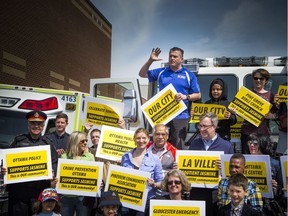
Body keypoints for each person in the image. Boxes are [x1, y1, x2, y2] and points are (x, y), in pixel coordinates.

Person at [139, 47, 201, 150]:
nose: (172, 58)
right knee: (159, 144)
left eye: (175, 56)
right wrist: (150, 60)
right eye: (170, 56)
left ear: (181, 59)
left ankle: (176, 166)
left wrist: (185, 96)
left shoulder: (188, 74)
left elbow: (198, 95)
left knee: (178, 146)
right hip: (163, 115)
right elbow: (142, 74)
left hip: (181, 116)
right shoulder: (162, 72)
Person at [7, 110, 58, 216]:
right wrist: (5, 169)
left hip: (38, 191)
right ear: (28, 125)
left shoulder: (47, 143)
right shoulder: (18, 141)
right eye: (33, 123)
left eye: (39, 124)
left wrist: (53, 172)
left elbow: (54, 162)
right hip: (18, 191)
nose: (36, 126)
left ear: (43, 126)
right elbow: (7, 161)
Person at [188, 112, 234, 216]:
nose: (201, 129)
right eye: (200, 125)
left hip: (215, 193)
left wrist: (224, 168)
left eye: (205, 126)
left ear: (214, 126)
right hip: (196, 191)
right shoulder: (194, 144)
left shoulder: (226, 146)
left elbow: (233, 172)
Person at [121, 128, 163, 215]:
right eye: (138, 138)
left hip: (147, 201)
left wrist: (154, 184)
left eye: (144, 138)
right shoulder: (125, 157)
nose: (141, 141)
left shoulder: (155, 159)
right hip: (128, 201)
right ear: (134, 140)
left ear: (148, 139)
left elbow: (161, 182)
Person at [240, 68, 278, 154]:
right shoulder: (246, 93)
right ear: (253, 79)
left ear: (266, 80)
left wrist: (272, 115)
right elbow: (239, 110)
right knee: (246, 160)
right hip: (247, 133)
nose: (258, 80)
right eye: (256, 78)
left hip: (263, 134)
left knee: (263, 159)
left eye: (261, 78)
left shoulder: (271, 95)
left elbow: (276, 114)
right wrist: (234, 110)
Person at [247, 134, 285, 215]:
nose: (252, 145)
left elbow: (282, 186)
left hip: (267, 206)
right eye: (250, 142)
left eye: (255, 143)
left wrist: (276, 187)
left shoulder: (274, 164)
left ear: (263, 144)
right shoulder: (243, 161)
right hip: (249, 203)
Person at [60, 131, 95, 216]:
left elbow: (93, 175)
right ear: (75, 142)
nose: (86, 143)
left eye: (86, 140)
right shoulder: (64, 157)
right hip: (66, 197)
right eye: (82, 141)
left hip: (82, 198)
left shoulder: (90, 157)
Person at [274, 85, 287, 155]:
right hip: (285, 129)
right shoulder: (284, 86)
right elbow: (278, 112)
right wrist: (277, 104)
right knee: (282, 155)